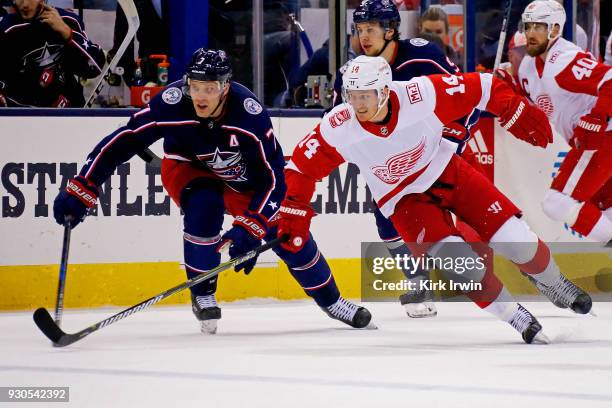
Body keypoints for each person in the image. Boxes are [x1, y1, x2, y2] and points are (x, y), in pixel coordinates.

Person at [52, 48, 373, 334]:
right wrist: (84, 186)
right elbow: (123, 141)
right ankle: (203, 291)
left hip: (249, 184)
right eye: (195, 87)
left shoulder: (249, 116)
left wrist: (252, 224)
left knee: (292, 237)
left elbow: (274, 178)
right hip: (189, 169)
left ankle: (332, 301)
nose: (201, 96)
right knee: (203, 207)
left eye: (210, 88)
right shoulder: (171, 104)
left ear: (225, 87)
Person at [278, 55, 594, 344]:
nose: (358, 105)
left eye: (366, 96)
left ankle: (553, 282)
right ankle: (515, 316)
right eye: (353, 96)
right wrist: (293, 210)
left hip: (448, 172)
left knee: (517, 242)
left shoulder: (419, 94)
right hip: (403, 201)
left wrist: (512, 107)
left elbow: (483, 86)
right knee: (461, 266)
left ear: (386, 91)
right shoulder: (339, 126)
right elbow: (300, 169)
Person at [333, 0, 478, 318]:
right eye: (359, 30)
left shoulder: (424, 54)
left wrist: (456, 134)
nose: (364, 37)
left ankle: (483, 272)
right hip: (390, 161)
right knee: (387, 218)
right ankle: (418, 280)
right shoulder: (355, 72)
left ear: (390, 30)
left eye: (371, 29)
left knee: (446, 214)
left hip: (434, 151)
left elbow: (466, 93)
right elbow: (338, 119)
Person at [515, 0, 611, 244]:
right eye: (527, 27)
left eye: (538, 27)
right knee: (605, 209)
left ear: (555, 30)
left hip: (603, 139)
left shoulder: (564, 60)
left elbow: (609, 78)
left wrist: (597, 117)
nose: (530, 34)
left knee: (557, 202)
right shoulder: (527, 67)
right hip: (590, 143)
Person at [0, 0, 105, 107]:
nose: (25, 5)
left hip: (70, 111)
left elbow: (94, 68)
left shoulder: (68, 20)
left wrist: (67, 32)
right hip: (24, 113)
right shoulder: (6, 28)